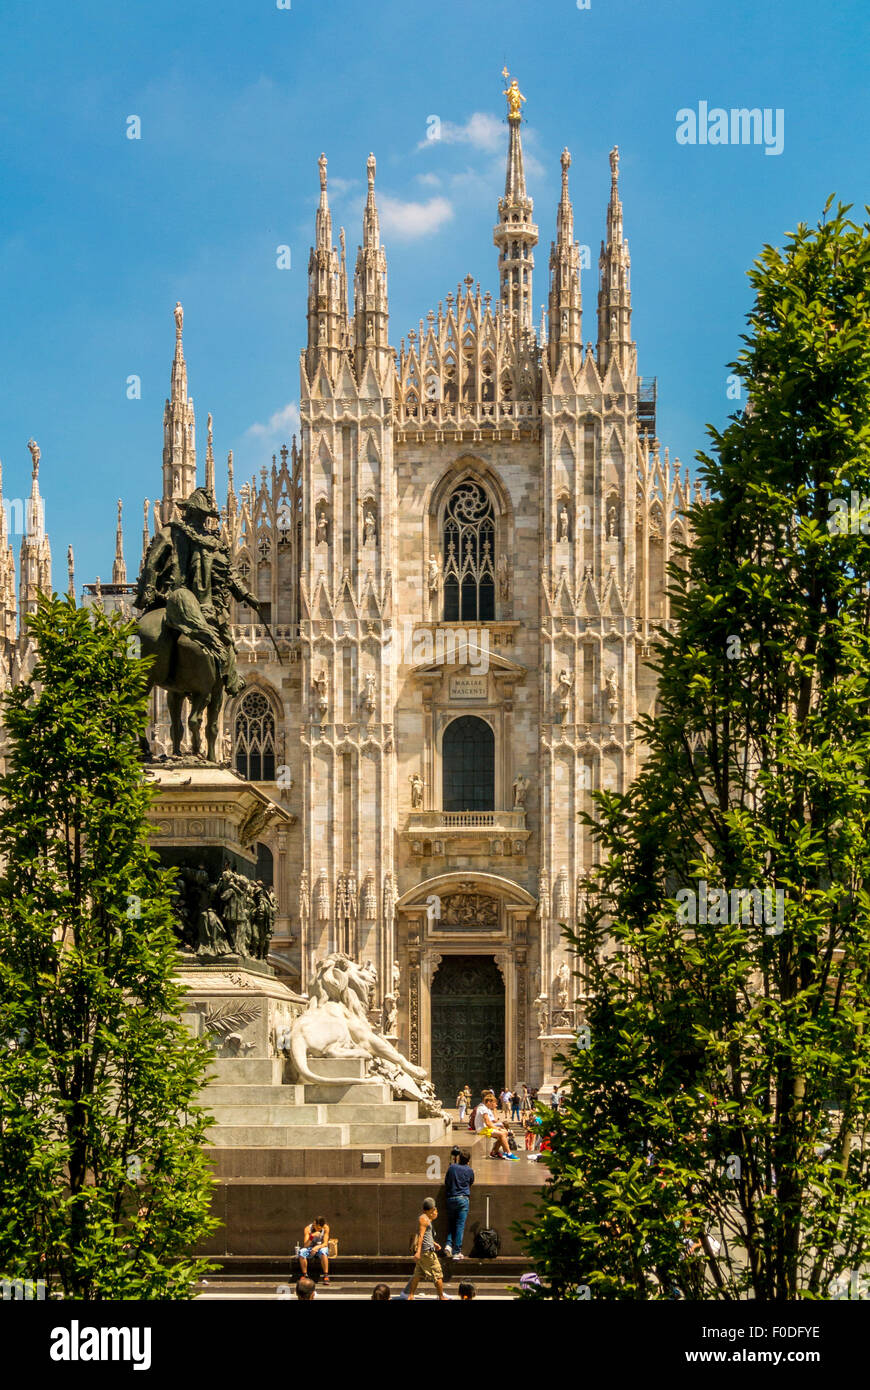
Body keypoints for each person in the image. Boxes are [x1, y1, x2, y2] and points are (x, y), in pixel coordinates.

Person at [408, 1197, 449, 1300]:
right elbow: (421, 1235)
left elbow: (427, 1235)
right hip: (426, 1252)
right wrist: (417, 1252)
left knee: (417, 1274)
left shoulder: (426, 1218)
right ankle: (441, 1296)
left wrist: (434, 1243)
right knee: (438, 1273)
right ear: (430, 1209)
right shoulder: (424, 1219)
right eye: (434, 1209)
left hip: (425, 1251)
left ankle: (411, 1295)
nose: (435, 1211)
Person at [444, 1148, 474, 1258]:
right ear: (468, 1161)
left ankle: (448, 1245)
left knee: (451, 1223)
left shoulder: (452, 1168)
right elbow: (471, 1182)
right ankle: (456, 1252)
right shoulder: (469, 1170)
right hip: (463, 1199)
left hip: (450, 1198)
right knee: (459, 1226)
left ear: (459, 1158)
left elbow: (446, 1182)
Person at [475, 1091, 517, 1159]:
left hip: (485, 1128)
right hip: (482, 1130)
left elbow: (490, 1122)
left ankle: (495, 1151)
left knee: (504, 1132)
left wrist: (497, 1128)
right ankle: (508, 1153)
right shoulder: (483, 1108)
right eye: (493, 1103)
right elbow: (488, 1123)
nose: (494, 1105)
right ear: (488, 1102)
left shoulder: (484, 1108)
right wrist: (497, 1128)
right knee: (502, 1134)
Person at [298, 1215, 330, 1283]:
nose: (317, 1229)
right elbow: (305, 1245)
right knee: (302, 1252)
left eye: (319, 1228)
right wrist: (312, 1236)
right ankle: (305, 1274)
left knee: (324, 1252)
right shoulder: (308, 1228)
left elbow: (325, 1243)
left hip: (320, 1247)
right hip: (309, 1247)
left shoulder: (326, 1228)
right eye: (316, 1226)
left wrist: (317, 1247)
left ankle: (326, 1275)